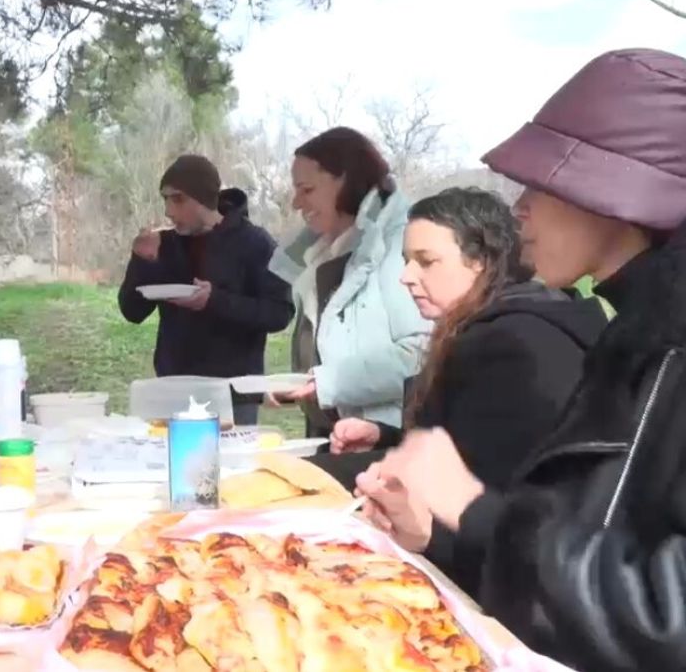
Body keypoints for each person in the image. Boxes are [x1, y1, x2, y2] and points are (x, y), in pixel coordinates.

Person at [356, 48, 686, 671]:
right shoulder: (631, 335)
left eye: (547, 181)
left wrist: (476, 511)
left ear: (619, 186)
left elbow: (668, 621)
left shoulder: (670, 349)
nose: (520, 208)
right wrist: (440, 537)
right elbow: (590, 573)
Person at [310, 187, 606, 593]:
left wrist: (309, 475)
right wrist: (390, 437)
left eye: (426, 262)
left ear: (482, 262)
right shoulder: (493, 328)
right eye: (406, 262)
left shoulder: (515, 345)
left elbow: (489, 492)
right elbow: (471, 447)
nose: (406, 277)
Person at [268, 128, 430, 439]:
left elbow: (421, 355)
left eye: (306, 189)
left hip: (385, 443)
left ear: (345, 179)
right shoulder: (326, 250)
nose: (295, 203)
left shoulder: (399, 246)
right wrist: (298, 383)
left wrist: (329, 383)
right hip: (332, 436)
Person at [118, 154, 292, 426]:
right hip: (174, 391)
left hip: (234, 397)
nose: (168, 211)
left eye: (177, 199)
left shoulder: (255, 243)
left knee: (233, 469)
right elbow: (132, 312)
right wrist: (142, 261)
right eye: (165, 200)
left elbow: (279, 313)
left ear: (203, 199)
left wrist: (215, 301)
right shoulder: (164, 244)